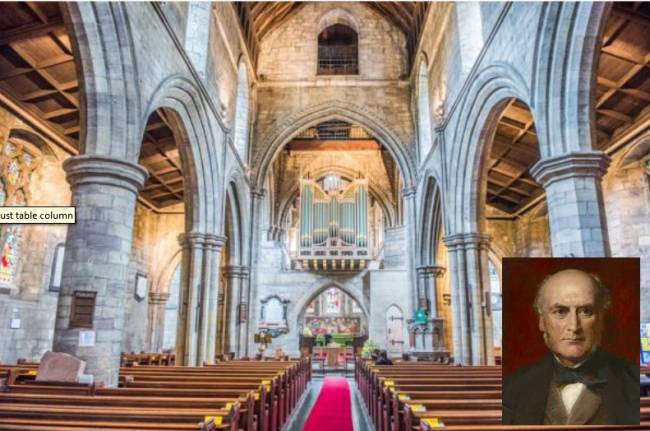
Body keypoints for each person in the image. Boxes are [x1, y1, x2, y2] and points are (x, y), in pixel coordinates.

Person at [503, 269, 639, 425]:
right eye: (560, 311)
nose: (574, 326)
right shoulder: (512, 387)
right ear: (542, 321)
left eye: (586, 312)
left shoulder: (633, 381)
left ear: (601, 319)